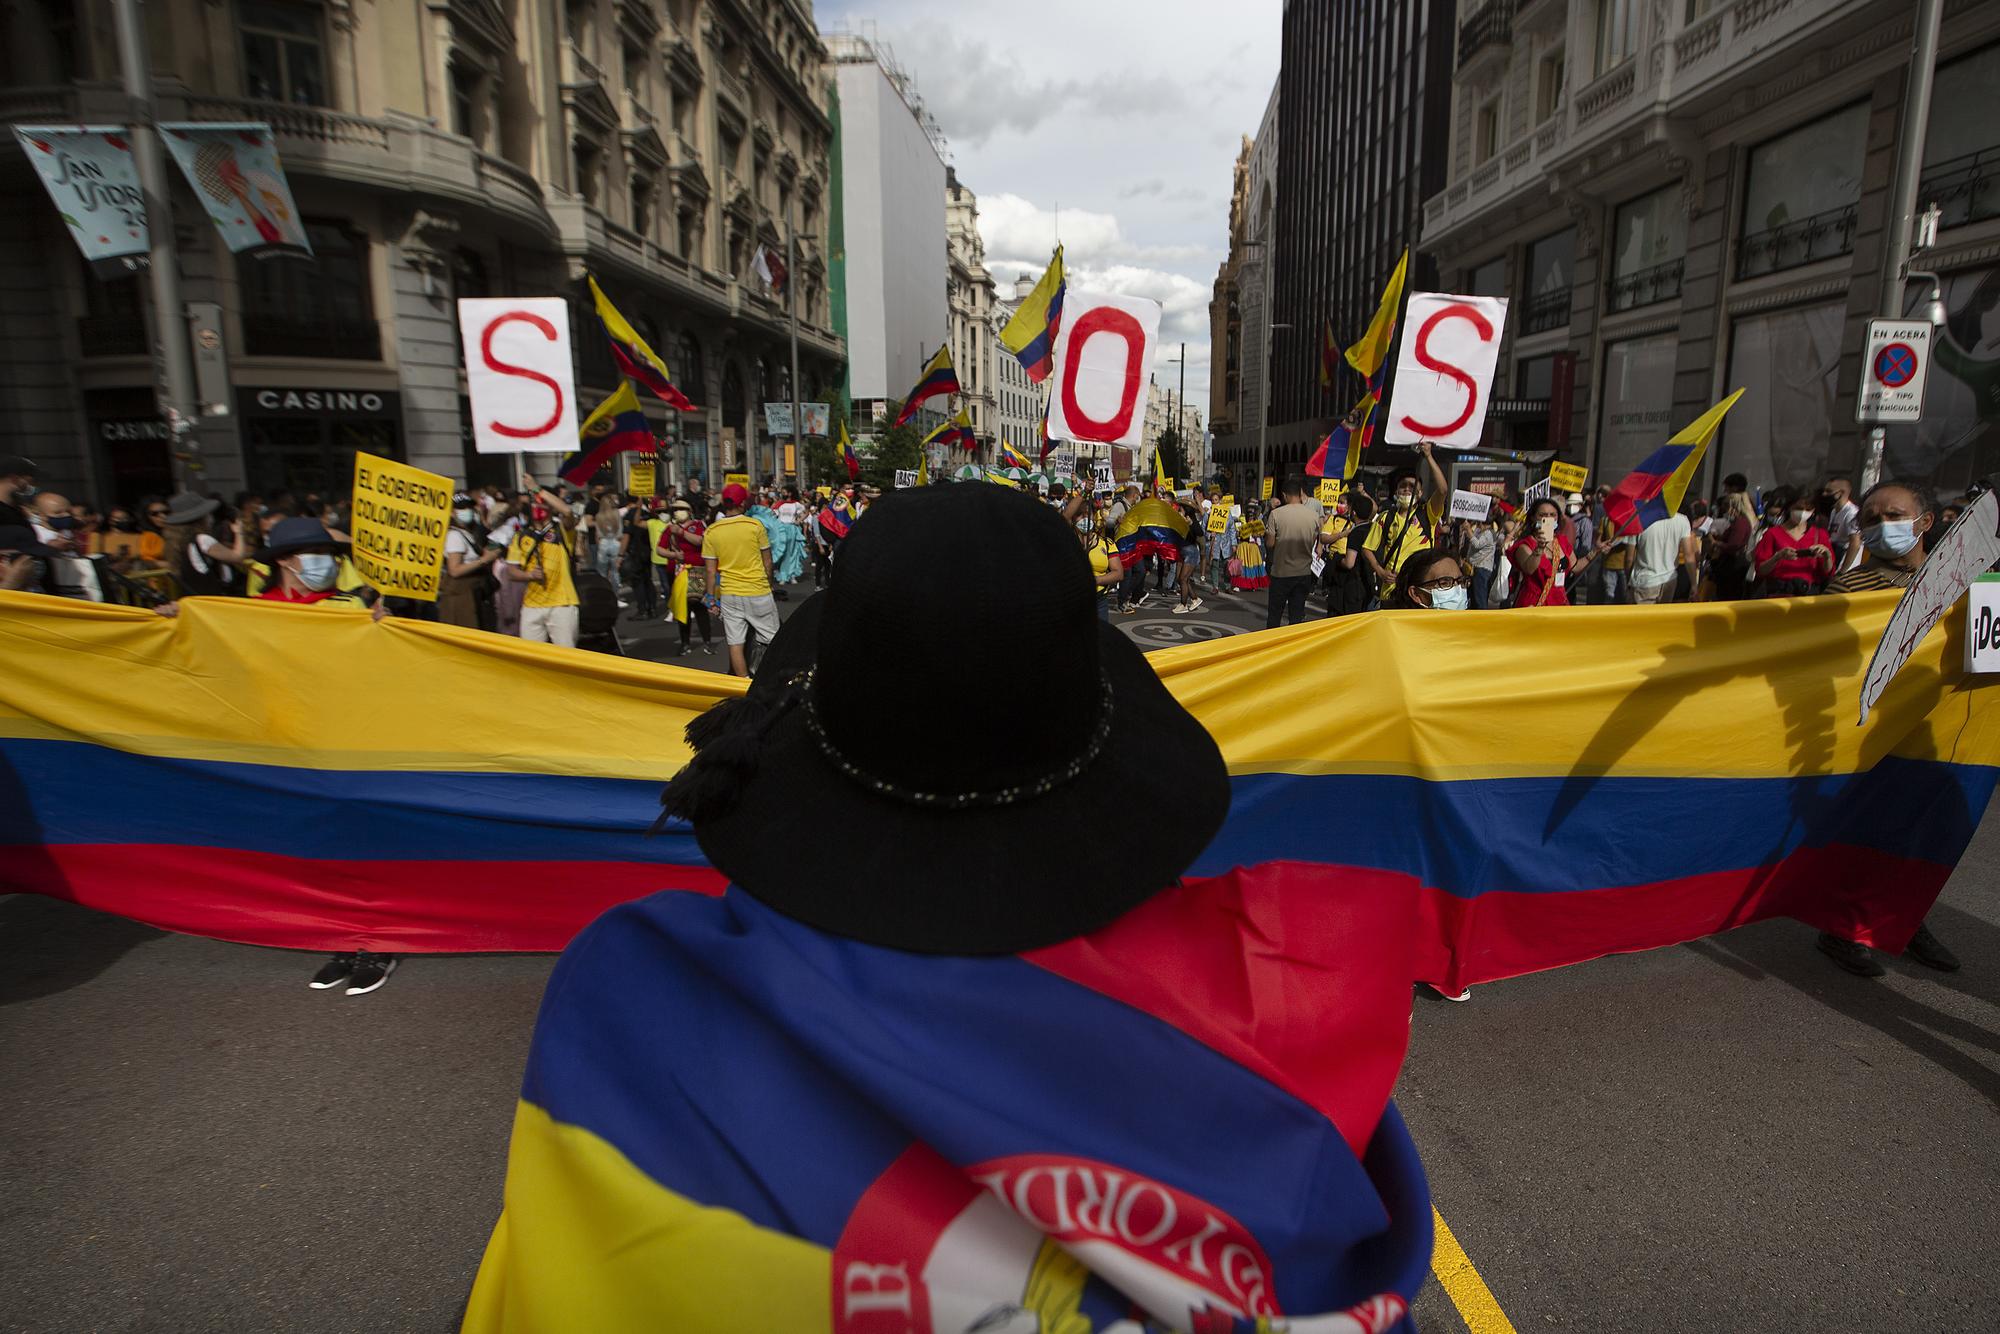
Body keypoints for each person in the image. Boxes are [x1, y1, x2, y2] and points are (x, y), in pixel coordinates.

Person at [1813, 479, 1960, 977]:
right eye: (1869, 519)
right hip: (1874, 732)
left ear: (1925, 522)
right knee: (1870, 830)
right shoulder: (1849, 588)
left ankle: (1908, 922)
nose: (1879, 526)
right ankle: (1842, 930)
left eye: (1891, 515)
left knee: (1924, 834)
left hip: (1941, 729)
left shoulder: (1962, 585)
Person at [701, 482, 778, 677]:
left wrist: (710, 598)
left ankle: (742, 685)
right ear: (743, 503)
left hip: (730, 594)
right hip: (757, 590)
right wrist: (769, 584)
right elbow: (767, 561)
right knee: (773, 640)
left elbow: (710, 571)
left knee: (735, 643)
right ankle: (769, 680)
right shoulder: (754, 525)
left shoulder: (712, 531)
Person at [501, 478, 581, 647]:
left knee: (566, 656)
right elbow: (511, 571)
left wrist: (537, 490)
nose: (538, 506)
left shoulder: (562, 530)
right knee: (531, 656)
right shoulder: (521, 536)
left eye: (543, 503)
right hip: (532, 605)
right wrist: (528, 575)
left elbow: (567, 512)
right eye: (535, 503)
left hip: (562, 604)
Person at [1361, 442, 1448, 588]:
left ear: (1420, 494)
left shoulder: (1428, 514)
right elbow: (1367, 549)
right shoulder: (1385, 518)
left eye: (1412, 487)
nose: (1407, 489)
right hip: (1391, 590)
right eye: (1403, 486)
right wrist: (1381, 572)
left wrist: (1428, 456)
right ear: (1396, 492)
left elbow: (1443, 490)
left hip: (1419, 588)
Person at [1750, 486, 1834, 596]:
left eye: (1808, 509)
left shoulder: (1820, 535)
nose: (1803, 512)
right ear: (1790, 507)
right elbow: (1761, 569)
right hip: (1778, 593)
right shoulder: (1772, 533)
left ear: (1813, 511)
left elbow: (1828, 571)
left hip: (1808, 595)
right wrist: (1778, 557)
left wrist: (1827, 555)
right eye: (1798, 508)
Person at [1264, 475, 1320, 628]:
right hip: (1303, 573)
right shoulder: (1314, 516)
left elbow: (1270, 543)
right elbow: (1315, 540)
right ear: (1300, 493)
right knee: (1296, 617)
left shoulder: (1276, 514)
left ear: (1284, 495)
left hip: (1281, 572)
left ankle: (1272, 647)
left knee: (1274, 616)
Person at [662, 499, 715, 657]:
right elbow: (659, 549)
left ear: (689, 510)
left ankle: (707, 642)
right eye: (675, 509)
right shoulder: (670, 528)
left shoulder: (698, 525)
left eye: (681, 509)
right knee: (682, 609)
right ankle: (685, 643)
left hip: (697, 571)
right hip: (680, 572)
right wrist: (673, 554)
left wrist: (682, 533)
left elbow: (700, 541)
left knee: (698, 606)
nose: (678, 512)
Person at [441, 492, 501, 629]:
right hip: (462, 599)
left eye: (468, 507)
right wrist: (484, 560)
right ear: (451, 513)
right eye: (461, 509)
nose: (466, 511)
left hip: (473, 596)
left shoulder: (467, 532)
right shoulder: (454, 536)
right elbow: (455, 570)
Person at [1507, 496, 1576, 607]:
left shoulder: (1562, 542)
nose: (1549, 518)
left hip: (1558, 603)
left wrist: (1596, 551)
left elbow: (1575, 567)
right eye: (1543, 515)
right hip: (1534, 603)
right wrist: (1539, 547)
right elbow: (1529, 569)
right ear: (1533, 518)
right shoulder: (1525, 545)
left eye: (1552, 515)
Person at [1629, 507, 1696, 604]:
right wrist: (1694, 584)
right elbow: (1689, 555)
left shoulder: (1638, 518)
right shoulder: (1682, 520)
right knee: (1662, 618)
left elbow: (1629, 558)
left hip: (1645, 581)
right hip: (1669, 579)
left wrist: (1629, 580)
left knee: (1642, 619)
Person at [1076, 501, 1124, 621]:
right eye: (1080, 514)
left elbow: (1118, 573)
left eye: (1088, 514)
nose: (1084, 518)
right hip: (1072, 599)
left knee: (1100, 637)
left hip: (1099, 601)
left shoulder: (1107, 544)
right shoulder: (1065, 542)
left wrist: (1096, 580)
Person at [585, 483, 626, 601]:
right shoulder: (617, 514)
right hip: (615, 543)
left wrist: (599, 544)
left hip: (603, 543)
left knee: (602, 572)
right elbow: (620, 533)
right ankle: (616, 596)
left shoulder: (599, 516)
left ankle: (603, 595)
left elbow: (597, 535)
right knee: (615, 571)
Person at [1822, 475, 1861, 574]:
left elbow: (1855, 543)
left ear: (1841, 493)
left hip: (1843, 561)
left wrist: (1843, 571)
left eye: (1829, 491)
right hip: (1834, 555)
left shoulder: (1851, 513)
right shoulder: (1834, 511)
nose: (1824, 494)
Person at [0, 454, 37, 530]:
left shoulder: (16, 510)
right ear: (15, 479)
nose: (32, 486)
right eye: (29, 481)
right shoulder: (5, 514)